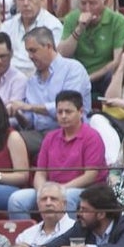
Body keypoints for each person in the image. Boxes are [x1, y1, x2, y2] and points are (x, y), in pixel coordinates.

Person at [9, 90, 104, 219]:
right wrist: (43, 191)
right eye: (60, 112)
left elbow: (90, 176)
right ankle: (28, 237)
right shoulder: (50, 137)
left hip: (84, 190)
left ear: (81, 112)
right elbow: (40, 173)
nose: (63, 116)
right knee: (17, 200)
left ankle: (65, 237)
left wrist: (59, 190)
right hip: (52, 189)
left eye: (68, 112)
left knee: (68, 197)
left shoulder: (92, 137)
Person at [9, 27, 92, 157]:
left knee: (13, 142)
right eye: (28, 52)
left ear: (48, 46)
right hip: (39, 134)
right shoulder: (32, 81)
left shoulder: (73, 69)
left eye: (33, 50)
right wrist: (17, 113)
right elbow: (29, 123)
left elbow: (69, 107)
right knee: (4, 140)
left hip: (68, 131)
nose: (30, 56)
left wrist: (28, 107)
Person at [58, 0, 124, 96]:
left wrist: (89, 78)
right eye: (83, 3)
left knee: (115, 76)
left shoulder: (118, 20)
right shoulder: (72, 18)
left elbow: (117, 61)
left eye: (93, 3)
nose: (87, 8)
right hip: (77, 74)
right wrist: (79, 29)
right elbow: (62, 54)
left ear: (105, 2)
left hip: (104, 74)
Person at [36, 184, 124, 247]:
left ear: (101, 214)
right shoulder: (81, 227)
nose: (79, 214)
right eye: (79, 208)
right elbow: (56, 244)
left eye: (84, 210)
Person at [0, 0, 62, 76]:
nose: (25, 3)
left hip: (39, 76)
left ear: (41, 0)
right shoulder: (7, 26)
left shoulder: (53, 25)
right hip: (10, 78)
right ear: (16, 1)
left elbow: (53, 61)